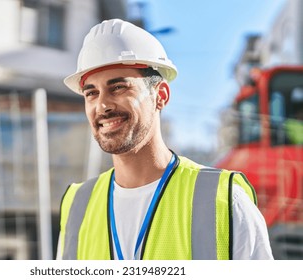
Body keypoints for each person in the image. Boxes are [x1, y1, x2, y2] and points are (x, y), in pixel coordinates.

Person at [57, 18, 273, 260]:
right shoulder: (77, 205)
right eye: (92, 93)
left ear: (160, 95)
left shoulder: (223, 199)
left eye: (118, 87)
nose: (103, 105)